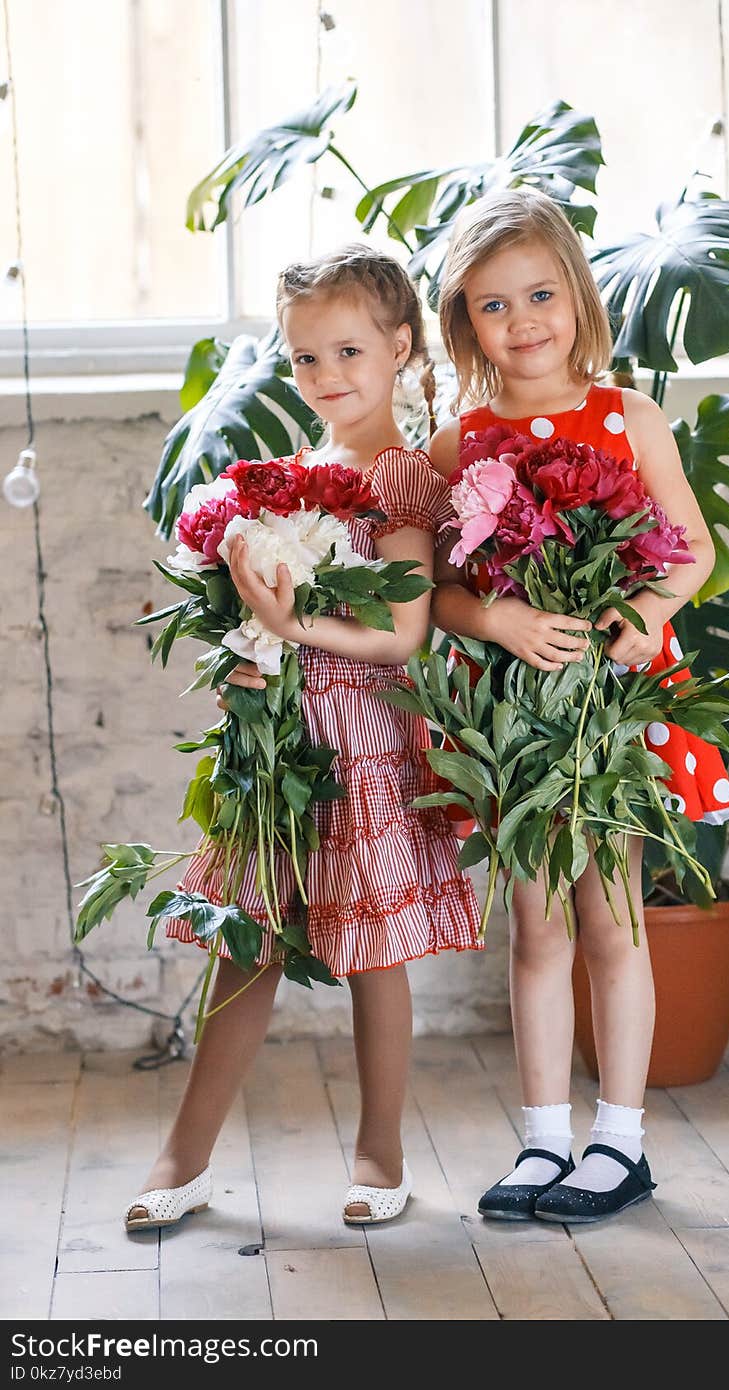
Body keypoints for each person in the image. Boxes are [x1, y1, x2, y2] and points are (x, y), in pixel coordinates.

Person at [125, 245, 482, 1233]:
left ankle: (380, 1151)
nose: (326, 377)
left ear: (401, 347)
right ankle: (184, 1155)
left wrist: (295, 630)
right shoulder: (299, 476)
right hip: (284, 739)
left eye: (348, 352)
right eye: (305, 358)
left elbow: (405, 627)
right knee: (248, 940)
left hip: (365, 732)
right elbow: (273, 608)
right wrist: (256, 655)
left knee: (370, 950)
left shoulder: (402, 475)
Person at [429, 189, 729, 1224]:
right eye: (490, 306)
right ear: (461, 323)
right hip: (518, 719)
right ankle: (544, 1139)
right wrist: (498, 622)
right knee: (536, 928)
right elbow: (435, 590)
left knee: (612, 921)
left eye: (539, 295)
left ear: (577, 296)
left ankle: (622, 1141)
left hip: (609, 712)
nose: (521, 323)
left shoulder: (624, 415)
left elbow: (691, 549)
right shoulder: (458, 439)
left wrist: (644, 612)